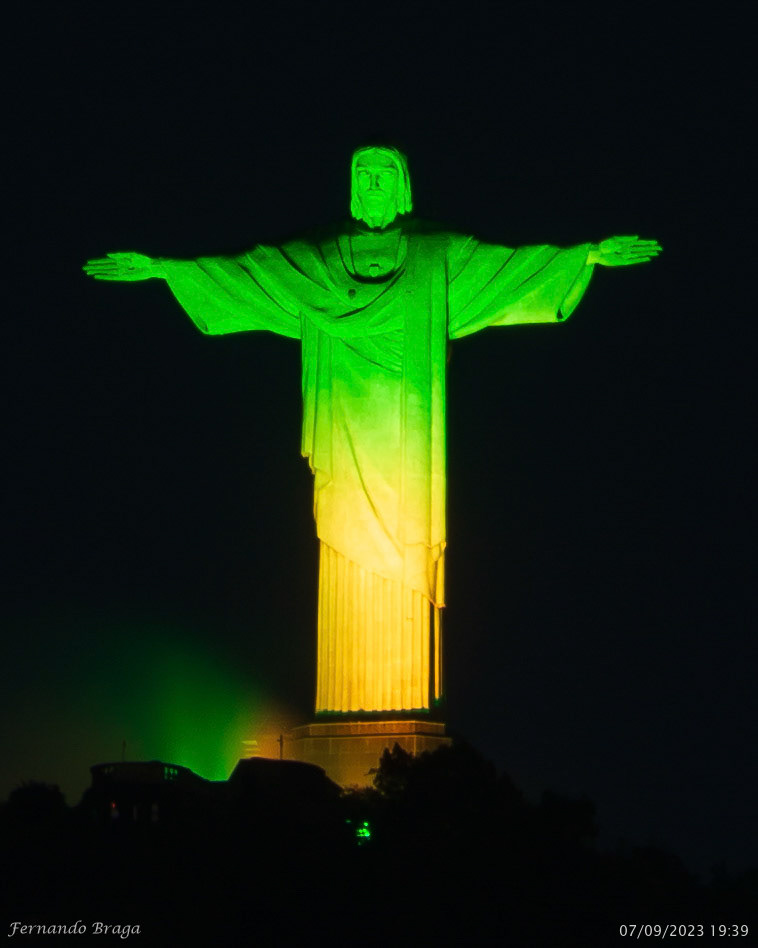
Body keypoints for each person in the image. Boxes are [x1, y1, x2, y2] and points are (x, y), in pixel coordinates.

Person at [84, 146, 661, 714]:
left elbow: (508, 267)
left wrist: (585, 256)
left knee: (403, 547)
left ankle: (400, 710)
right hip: (345, 422)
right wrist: (164, 268)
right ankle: (345, 709)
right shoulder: (321, 259)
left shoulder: (437, 256)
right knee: (342, 534)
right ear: (352, 186)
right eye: (365, 176)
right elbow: (250, 273)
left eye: (386, 176)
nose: (375, 186)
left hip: (408, 434)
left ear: (404, 187)